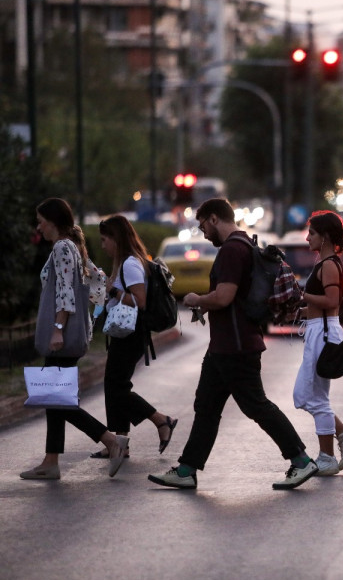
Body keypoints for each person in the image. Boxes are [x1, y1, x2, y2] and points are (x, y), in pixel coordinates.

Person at [148, 198, 316, 490]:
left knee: (256, 406)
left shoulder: (232, 250)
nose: (203, 233)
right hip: (225, 345)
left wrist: (197, 300)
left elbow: (224, 296)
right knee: (207, 406)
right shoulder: (245, 245)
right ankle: (187, 469)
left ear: (214, 219)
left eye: (203, 226)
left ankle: (301, 460)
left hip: (236, 346)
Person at [20, 198, 129, 480]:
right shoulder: (73, 246)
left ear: (53, 221)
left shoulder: (61, 247)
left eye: (41, 220)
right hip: (70, 333)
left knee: (59, 400)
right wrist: (92, 316)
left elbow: (66, 292)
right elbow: (97, 282)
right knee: (56, 398)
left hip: (62, 336)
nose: (38, 226)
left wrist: (58, 327)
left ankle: (110, 441)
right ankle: (50, 462)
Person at [88, 215, 178, 459]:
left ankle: (161, 420)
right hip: (126, 333)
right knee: (116, 385)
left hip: (132, 333)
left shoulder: (130, 264)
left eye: (105, 239)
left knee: (116, 386)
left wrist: (113, 290)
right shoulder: (127, 262)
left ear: (116, 239)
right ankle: (120, 443)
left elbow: (140, 301)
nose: (103, 245)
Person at [291, 210, 343, 476]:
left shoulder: (330, 265)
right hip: (318, 329)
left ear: (323, 237)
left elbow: (332, 303)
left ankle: (327, 457)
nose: (307, 237)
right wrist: (301, 310)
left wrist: (303, 295)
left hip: (323, 333)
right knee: (305, 396)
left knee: (315, 398)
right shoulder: (325, 264)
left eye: (311, 232)